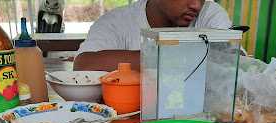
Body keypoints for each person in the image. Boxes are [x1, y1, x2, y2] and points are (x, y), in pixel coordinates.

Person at [73, 0, 232, 71]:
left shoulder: (209, 14)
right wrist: (171, 58)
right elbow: (83, 65)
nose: (196, 5)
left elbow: (230, 62)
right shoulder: (117, 22)